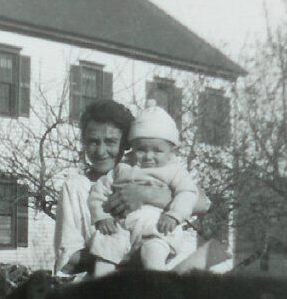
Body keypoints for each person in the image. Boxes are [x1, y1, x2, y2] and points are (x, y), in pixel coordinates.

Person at [53, 100, 173, 277]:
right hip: (103, 283)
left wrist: (145, 194)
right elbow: (69, 258)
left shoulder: (150, 174)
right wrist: (119, 252)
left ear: (126, 144)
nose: (101, 151)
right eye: (93, 141)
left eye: (110, 142)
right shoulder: (75, 187)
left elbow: (201, 201)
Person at [88, 100, 200, 276]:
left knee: (153, 255)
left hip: (157, 226)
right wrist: (102, 217)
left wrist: (174, 215)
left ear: (171, 150)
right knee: (104, 252)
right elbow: (99, 191)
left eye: (157, 150)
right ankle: (102, 287)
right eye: (141, 149)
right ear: (132, 147)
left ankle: (158, 288)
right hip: (122, 227)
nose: (148, 156)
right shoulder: (123, 167)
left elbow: (188, 193)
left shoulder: (174, 170)